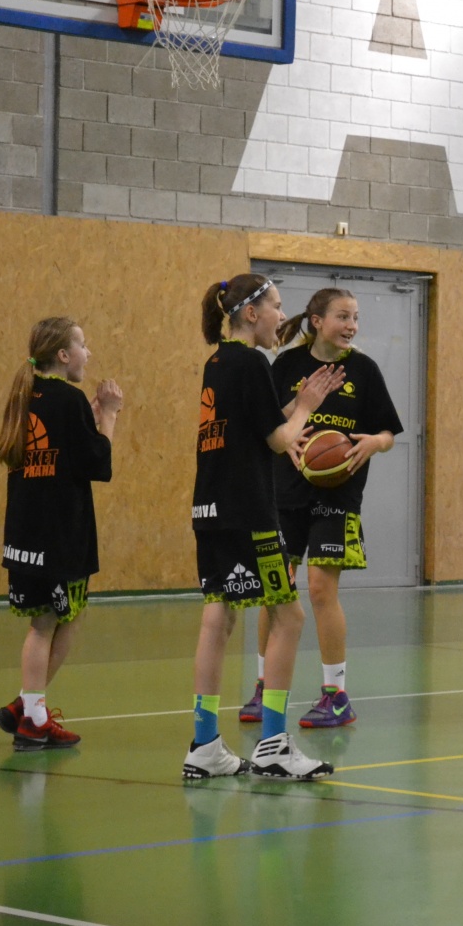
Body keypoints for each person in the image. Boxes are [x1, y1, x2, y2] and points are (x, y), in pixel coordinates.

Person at [183, 274, 344, 782]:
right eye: (276, 305)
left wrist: (296, 406)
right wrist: (307, 408)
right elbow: (277, 441)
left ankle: (204, 743)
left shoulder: (217, 362)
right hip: (249, 513)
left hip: (210, 509)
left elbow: (258, 426)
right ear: (250, 313)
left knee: (218, 618)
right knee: (289, 617)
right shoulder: (252, 361)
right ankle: (274, 743)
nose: (281, 315)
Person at [239, 288, 402, 730]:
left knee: (320, 590)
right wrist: (287, 441)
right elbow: (269, 424)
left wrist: (373, 443)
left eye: (356, 317)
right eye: (343, 317)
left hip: (338, 496)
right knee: (275, 591)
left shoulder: (364, 370)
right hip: (285, 493)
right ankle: (264, 687)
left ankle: (336, 695)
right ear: (316, 321)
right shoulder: (286, 366)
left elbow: (388, 432)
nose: (352, 325)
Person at [0, 318, 123, 751]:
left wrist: (88, 419)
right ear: (64, 355)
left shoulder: (25, 396)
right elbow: (98, 464)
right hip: (59, 535)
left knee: (45, 622)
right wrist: (108, 415)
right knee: (56, 621)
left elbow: (58, 450)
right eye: (82, 345)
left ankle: (27, 708)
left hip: (24, 532)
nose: (88, 352)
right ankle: (32, 719)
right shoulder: (69, 398)